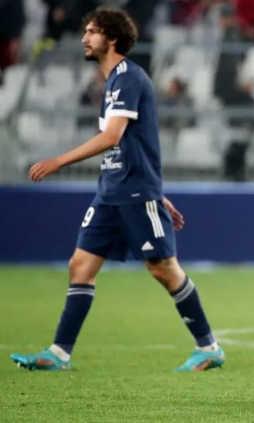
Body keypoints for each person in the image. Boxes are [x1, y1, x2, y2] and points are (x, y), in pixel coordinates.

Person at [9, 8, 224, 371]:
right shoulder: (113, 82)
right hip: (110, 192)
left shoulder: (128, 78)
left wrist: (59, 161)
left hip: (134, 193)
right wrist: (158, 192)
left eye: (92, 31)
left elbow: (112, 137)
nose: (84, 37)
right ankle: (59, 353)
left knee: (163, 269)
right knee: (80, 266)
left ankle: (209, 347)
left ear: (111, 38)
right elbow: (133, 144)